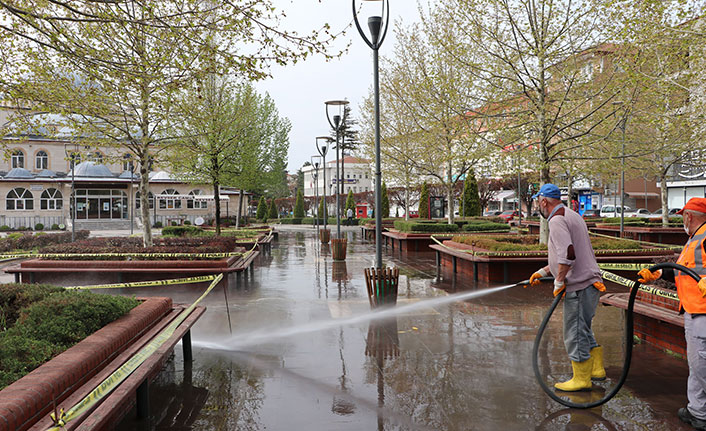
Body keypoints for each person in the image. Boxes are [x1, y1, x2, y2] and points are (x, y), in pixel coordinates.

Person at [528, 183, 606, 391]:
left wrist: (559, 281)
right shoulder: (572, 215)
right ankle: (596, 369)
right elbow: (569, 252)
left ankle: (581, 379)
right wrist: (544, 272)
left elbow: (568, 255)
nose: (538, 206)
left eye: (538, 201)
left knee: (574, 332)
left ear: (544, 201)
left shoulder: (556, 220)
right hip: (588, 282)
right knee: (583, 328)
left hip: (579, 286)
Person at [637, 197, 706, 430]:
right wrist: (656, 274)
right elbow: (682, 272)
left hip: (703, 311)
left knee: (702, 366)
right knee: (696, 365)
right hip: (693, 310)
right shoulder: (693, 240)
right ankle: (698, 412)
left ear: (689, 216)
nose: (682, 221)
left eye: (683, 216)